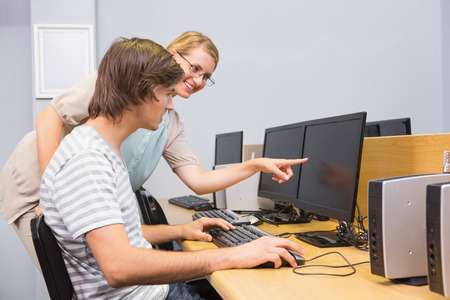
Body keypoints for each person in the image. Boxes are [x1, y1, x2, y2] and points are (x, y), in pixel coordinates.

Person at [0, 31, 308, 268]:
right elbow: (50, 117)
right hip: (34, 186)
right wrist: (48, 191)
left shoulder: (168, 120)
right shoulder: (116, 84)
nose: (198, 80)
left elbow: (198, 180)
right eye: (195, 68)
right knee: (72, 279)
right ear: (173, 55)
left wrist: (255, 166)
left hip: (77, 199)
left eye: (207, 77)